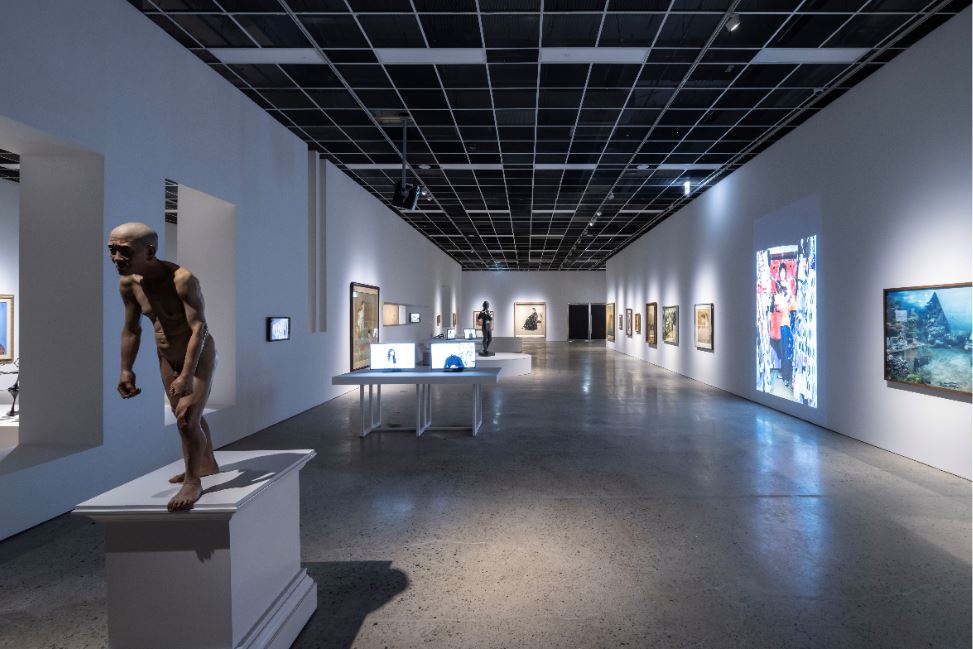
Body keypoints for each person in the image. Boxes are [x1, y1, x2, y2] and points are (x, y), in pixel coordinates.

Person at [108, 222, 219, 512]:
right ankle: (206, 462)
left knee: (186, 418)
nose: (117, 258)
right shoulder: (128, 284)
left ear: (150, 251)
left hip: (199, 355)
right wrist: (126, 369)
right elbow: (131, 328)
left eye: (124, 251)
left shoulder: (183, 280)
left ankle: (193, 481)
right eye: (112, 250)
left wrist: (187, 375)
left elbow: (199, 329)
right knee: (189, 415)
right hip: (167, 357)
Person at [770, 262, 797, 388]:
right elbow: (777, 305)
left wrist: (784, 303)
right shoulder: (777, 285)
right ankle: (784, 373)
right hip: (779, 323)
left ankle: (786, 377)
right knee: (781, 350)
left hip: (785, 323)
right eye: (780, 271)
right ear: (779, 273)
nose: (782, 273)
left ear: (785, 273)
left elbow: (790, 305)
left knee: (786, 350)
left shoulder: (788, 285)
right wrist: (783, 303)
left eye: (784, 271)